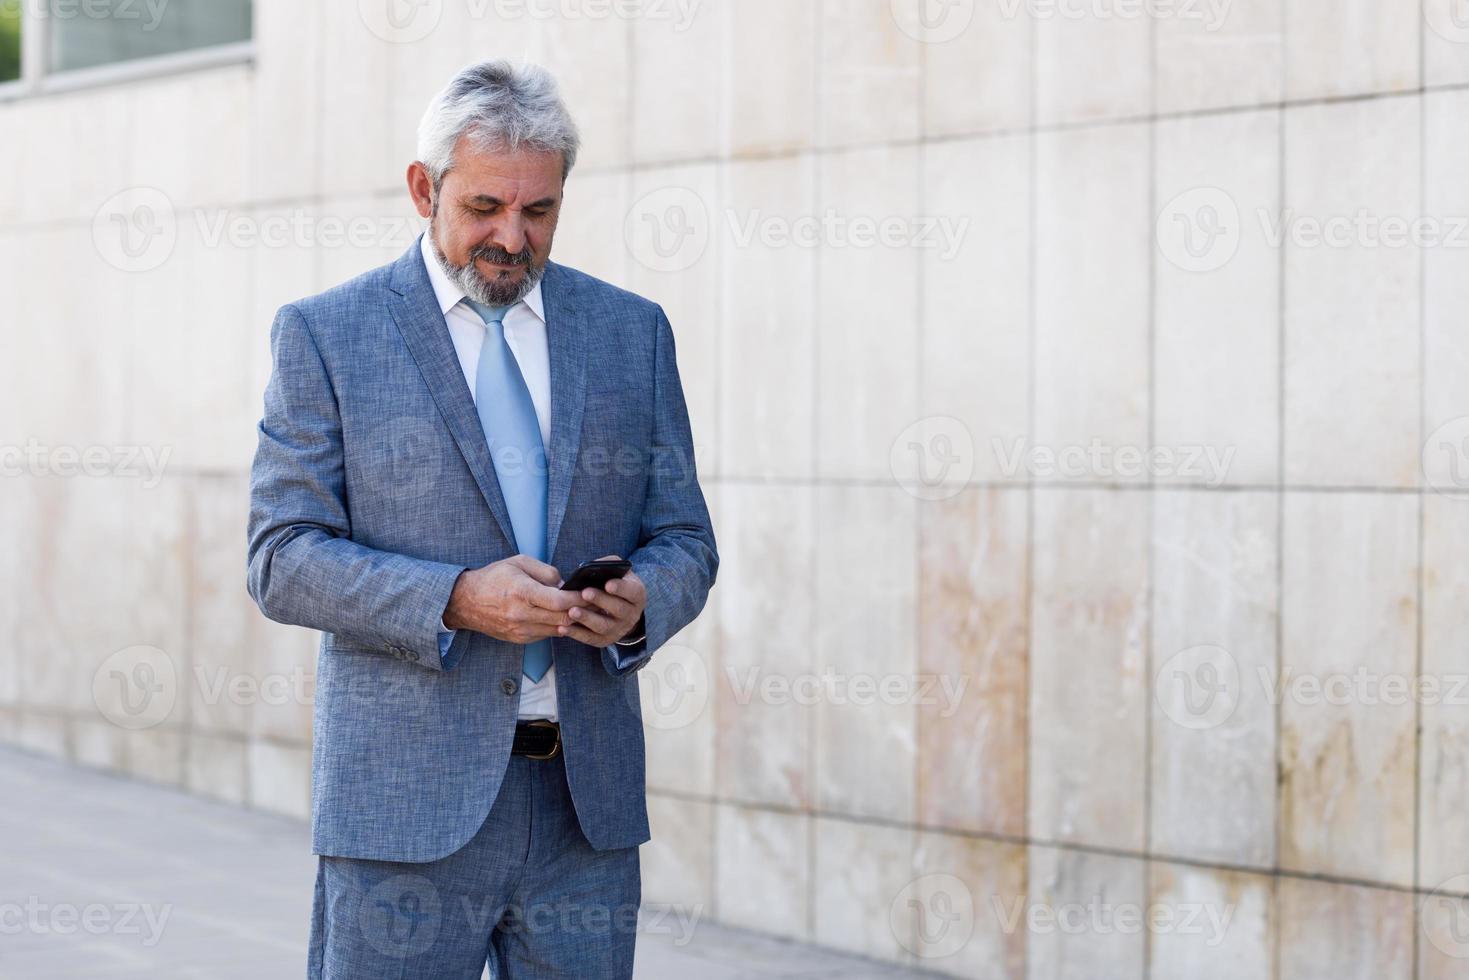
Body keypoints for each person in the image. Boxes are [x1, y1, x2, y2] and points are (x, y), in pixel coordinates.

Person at [245, 59, 718, 979]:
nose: (513, 235)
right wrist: (456, 599)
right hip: (402, 806)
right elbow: (281, 556)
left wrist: (641, 602)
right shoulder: (327, 335)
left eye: (538, 211)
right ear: (424, 189)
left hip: (584, 811)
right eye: (485, 207)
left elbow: (685, 539)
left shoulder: (631, 333)